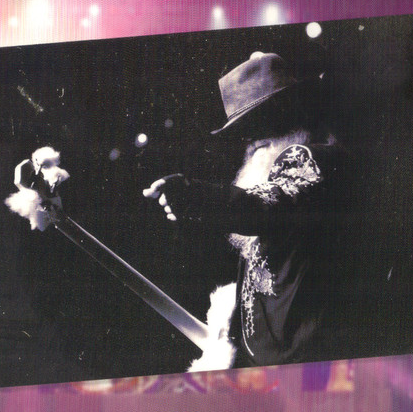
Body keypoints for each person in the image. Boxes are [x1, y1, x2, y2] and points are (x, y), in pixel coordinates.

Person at [143, 51, 352, 369]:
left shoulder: (314, 159)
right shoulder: (275, 168)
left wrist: (196, 196)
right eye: (246, 130)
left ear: (295, 112)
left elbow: (266, 205)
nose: (253, 141)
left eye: (263, 121)